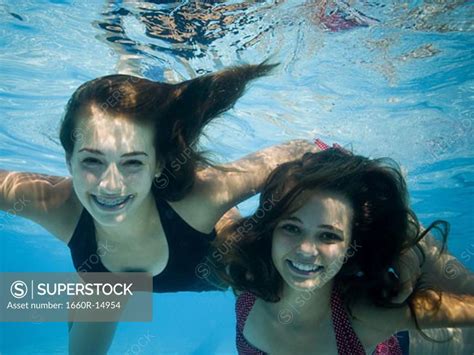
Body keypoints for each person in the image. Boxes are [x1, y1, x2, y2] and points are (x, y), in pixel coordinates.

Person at [0, 61, 321, 354]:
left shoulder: (197, 199)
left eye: (132, 163)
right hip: (106, 281)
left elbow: (299, 150)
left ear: (158, 164)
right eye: (92, 160)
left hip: (212, 265)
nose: (110, 185)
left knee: (253, 277)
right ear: (69, 159)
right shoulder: (56, 203)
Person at [212, 147, 474, 354]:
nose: (305, 250)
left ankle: (406, 233)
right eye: (291, 228)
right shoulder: (245, 279)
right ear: (270, 230)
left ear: (351, 244)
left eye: (328, 235)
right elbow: (218, 202)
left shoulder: (366, 316)